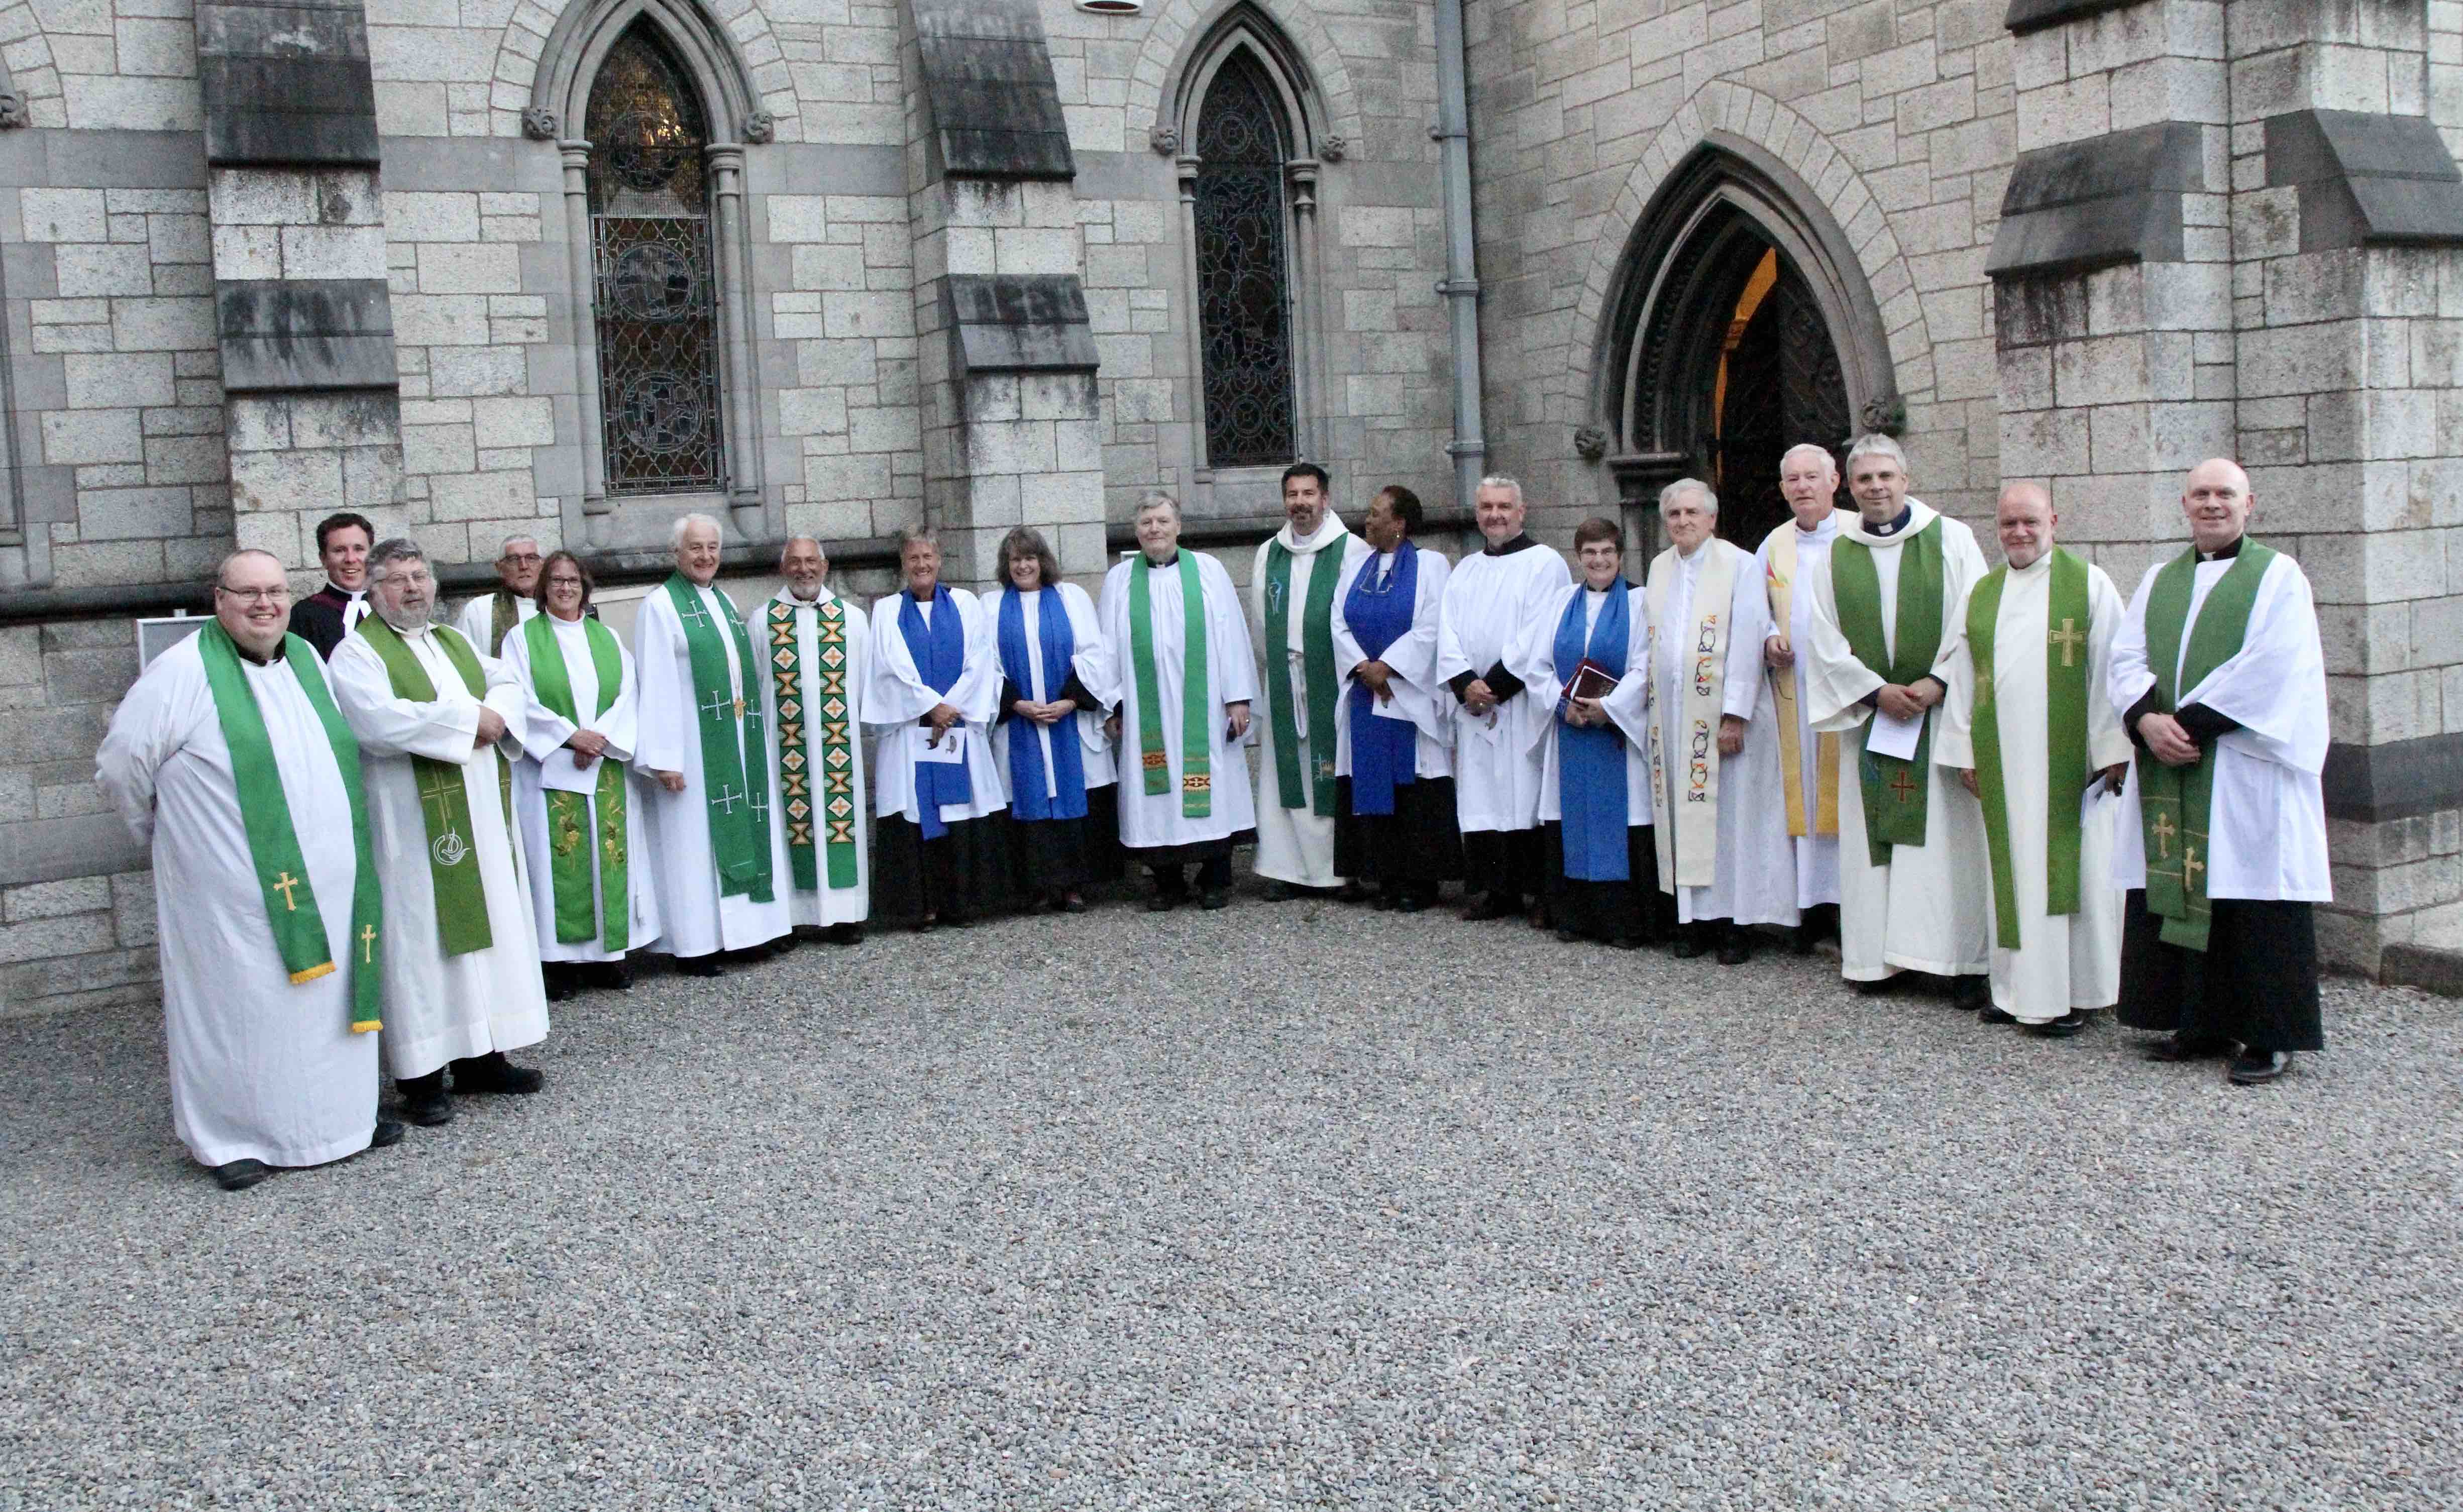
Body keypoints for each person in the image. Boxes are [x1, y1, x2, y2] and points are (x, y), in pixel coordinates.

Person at [96, 550, 397, 1191]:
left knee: (324, 1012)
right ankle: (232, 1138)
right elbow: (123, 763)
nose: (264, 604)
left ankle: (344, 1121)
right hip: (229, 900)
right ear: (219, 599)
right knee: (244, 1014)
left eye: (275, 592)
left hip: (331, 889)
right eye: (248, 593)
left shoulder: (307, 662)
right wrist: (163, 837)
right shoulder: (181, 672)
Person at [2109, 459, 2329, 1085]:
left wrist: (2188, 726)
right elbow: (2126, 657)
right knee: (2183, 883)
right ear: (2184, 504)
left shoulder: (2277, 577)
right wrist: (2147, 722)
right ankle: (2197, 1020)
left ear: (2248, 503)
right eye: (2201, 494)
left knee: (2253, 893)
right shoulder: (2160, 579)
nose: (2212, 504)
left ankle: (2269, 1034)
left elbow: (2275, 665)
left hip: (2242, 764)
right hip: (2174, 762)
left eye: (2224, 494)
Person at [328, 538, 549, 1127]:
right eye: (397, 579)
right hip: (410, 827)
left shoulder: (453, 642)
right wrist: (466, 719)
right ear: (373, 592)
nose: (412, 588)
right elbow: (376, 722)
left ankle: (483, 1055)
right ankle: (421, 1075)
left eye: (420, 575)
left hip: (476, 814)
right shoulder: (357, 655)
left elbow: (507, 681)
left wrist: (493, 713)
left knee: (487, 931)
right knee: (420, 944)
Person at [1798, 434, 1993, 1004]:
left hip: (1938, 719)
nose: (1876, 487)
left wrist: (1936, 682)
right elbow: (1823, 638)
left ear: (1905, 480)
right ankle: (1878, 959)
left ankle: (1958, 962)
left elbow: (1974, 619)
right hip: (1874, 721)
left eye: (1885, 476)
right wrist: (1874, 690)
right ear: (1850, 487)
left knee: (1947, 844)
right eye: (1864, 479)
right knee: (1877, 842)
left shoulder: (1951, 539)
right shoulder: (1837, 552)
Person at [1934, 483, 2132, 1035]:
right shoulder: (1982, 593)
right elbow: (1963, 679)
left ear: (2054, 522)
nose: (2018, 533)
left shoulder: (2087, 585)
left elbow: (2113, 673)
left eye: (2029, 522)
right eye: (2007, 525)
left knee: (2068, 875)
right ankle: (2014, 987)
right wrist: (1964, 750)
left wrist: (2112, 750)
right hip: (2002, 760)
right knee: (2010, 873)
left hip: (2067, 762)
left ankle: (2073, 993)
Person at [1614, 480, 1796, 963]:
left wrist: (1734, 715)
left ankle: (1735, 925)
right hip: (1672, 721)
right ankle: (1692, 921)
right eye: (1673, 514)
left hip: (1722, 720)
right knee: (1680, 819)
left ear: (1712, 519)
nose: (1682, 521)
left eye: (1692, 512)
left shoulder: (1738, 564)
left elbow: (1749, 635)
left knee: (1729, 823)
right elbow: (1649, 645)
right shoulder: (1658, 568)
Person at [634, 513, 790, 975]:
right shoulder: (660, 605)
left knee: (740, 831)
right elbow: (655, 682)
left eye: (712, 548)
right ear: (676, 553)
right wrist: (663, 758)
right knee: (693, 849)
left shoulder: (722, 602)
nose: (705, 557)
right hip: (692, 752)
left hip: (735, 743)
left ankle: (744, 935)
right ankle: (697, 944)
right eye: (695, 548)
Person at [502, 550, 660, 999]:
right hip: (551, 769)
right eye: (556, 582)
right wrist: (571, 737)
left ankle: (609, 959)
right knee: (558, 863)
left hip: (604, 765)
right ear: (543, 589)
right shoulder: (521, 639)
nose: (566, 589)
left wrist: (601, 739)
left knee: (606, 857)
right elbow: (517, 696)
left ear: (585, 589)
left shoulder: (607, 637)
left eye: (573, 581)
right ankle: (559, 964)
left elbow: (628, 695)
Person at [1100, 493, 1258, 911]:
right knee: (1154, 791)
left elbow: (1232, 637)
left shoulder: (1208, 571)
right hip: (1142, 706)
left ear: (1179, 526)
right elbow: (1106, 648)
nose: (1154, 529)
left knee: (1213, 783)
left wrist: (1238, 698)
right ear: (1137, 530)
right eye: (1147, 522)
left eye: (1162, 521)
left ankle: (1214, 878)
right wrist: (1113, 705)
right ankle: (1166, 880)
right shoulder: (1119, 580)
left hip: (1203, 706)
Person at [1514, 517, 1662, 949]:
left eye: (1607, 553)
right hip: (1571, 732)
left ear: (1620, 556)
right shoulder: (1561, 602)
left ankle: (1624, 924)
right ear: (1578, 557)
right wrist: (1563, 707)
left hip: (1617, 735)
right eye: (1590, 553)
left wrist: (1608, 709)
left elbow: (1645, 664)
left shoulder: (1640, 602)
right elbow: (1535, 664)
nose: (1598, 561)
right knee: (1572, 820)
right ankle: (1576, 918)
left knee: (1623, 823)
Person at [1437, 476, 1571, 923]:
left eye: (1504, 506)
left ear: (1522, 511)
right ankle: (1495, 890)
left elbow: (1539, 632)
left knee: (1523, 791)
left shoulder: (1544, 563)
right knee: (1480, 795)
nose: (1495, 515)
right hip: (1475, 705)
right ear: (1477, 513)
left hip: (1517, 702)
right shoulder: (1466, 569)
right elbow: (1447, 632)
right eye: (1487, 507)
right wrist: (1463, 684)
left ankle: (1535, 892)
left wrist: (1491, 688)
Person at [866, 528, 1011, 930]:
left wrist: (949, 709)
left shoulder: (965, 604)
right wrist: (931, 706)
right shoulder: (887, 611)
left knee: (959, 811)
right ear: (903, 564)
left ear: (940, 559)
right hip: (911, 730)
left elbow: (981, 661)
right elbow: (889, 667)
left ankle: (961, 903)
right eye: (913, 558)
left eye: (927, 556)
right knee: (917, 812)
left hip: (958, 727)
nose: (922, 565)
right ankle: (922, 906)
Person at [1328, 485, 1461, 912]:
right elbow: (1337, 621)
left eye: (1375, 514)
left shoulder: (1430, 565)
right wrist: (1362, 668)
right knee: (1370, 783)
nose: (1367, 521)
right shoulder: (1355, 565)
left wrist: (1390, 667)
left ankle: (1419, 882)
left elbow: (1432, 624)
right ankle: (1384, 876)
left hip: (1408, 698)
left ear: (1400, 523)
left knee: (1414, 787)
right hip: (1366, 696)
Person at [1250, 463, 1371, 899]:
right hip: (1286, 677)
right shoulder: (1270, 552)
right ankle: (1286, 869)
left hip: (1332, 681)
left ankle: (1339, 871)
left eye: (1308, 494)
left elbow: (1355, 619)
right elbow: (1261, 622)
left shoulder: (1351, 549)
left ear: (1326, 498)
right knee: (1285, 775)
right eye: (1292, 495)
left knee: (1331, 769)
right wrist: (1285, 666)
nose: (1300, 503)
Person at [990, 525, 1119, 913]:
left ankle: (1074, 885)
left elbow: (1096, 654)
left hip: (1068, 721)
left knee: (1070, 796)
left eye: (1030, 558)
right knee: (1030, 798)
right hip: (1020, 725)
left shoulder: (1071, 598)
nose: (1023, 566)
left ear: (1042, 561)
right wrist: (1017, 704)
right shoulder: (992, 606)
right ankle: (1039, 887)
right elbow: (986, 666)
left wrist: (1069, 701)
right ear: (1006, 565)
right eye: (1015, 559)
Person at [761, 536, 873, 943]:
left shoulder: (850, 618)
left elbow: (865, 684)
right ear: (782, 568)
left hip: (838, 747)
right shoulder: (763, 619)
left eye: (811, 562)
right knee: (791, 827)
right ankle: (791, 916)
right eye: (795, 562)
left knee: (841, 824)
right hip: (785, 750)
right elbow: (758, 686)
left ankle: (846, 916)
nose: (803, 569)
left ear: (825, 567)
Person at [1756, 445, 1846, 951]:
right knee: (1800, 799)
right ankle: (1807, 908)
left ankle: (1846, 905)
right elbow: (1756, 607)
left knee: (1841, 796)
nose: (1802, 487)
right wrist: (1769, 636)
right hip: (1792, 689)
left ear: (1835, 480)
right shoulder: (1773, 544)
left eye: (1812, 476)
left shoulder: (1858, 536)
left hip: (1845, 692)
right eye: (1792, 479)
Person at [287, 511, 375, 660]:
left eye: (359, 549)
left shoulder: (389, 609)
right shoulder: (303, 616)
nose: (351, 559)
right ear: (324, 559)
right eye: (340, 550)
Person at [455, 534, 544, 656]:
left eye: (531, 558)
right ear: (499, 568)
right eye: (514, 559)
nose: (524, 566)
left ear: (542, 565)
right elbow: (463, 658)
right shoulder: (479, 610)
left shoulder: (556, 608)